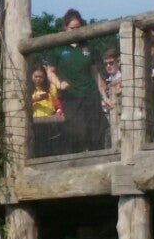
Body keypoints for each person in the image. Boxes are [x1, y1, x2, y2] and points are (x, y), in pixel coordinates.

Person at [45, 9, 110, 153]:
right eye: (72, 28)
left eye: (78, 28)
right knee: (78, 132)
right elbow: (50, 71)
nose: (75, 31)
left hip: (90, 93)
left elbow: (95, 73)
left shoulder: (88, 46)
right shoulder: (57, 47)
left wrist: (104, 97)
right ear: (65, 28)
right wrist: (58, 84)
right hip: (71, 97)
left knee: (97, 132)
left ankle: (98, 162)